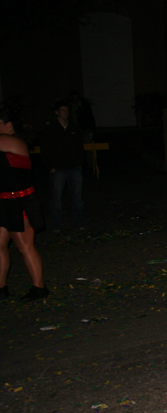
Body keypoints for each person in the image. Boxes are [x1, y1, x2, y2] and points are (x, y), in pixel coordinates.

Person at [0, 108, 48, 301]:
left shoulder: (12, 141)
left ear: (8, 124)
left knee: (25, 246)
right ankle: (1, 287)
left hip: (19, 202)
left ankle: (39, 287)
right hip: (3, 201)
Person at [39, 100, 85, 233]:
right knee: (56, 200)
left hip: (74, 168)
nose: (66, 113)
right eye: (63, 110)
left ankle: (79, 223)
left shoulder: (74, 128)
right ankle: (57, 226)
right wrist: (50, 166)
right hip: (58, 169)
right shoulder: (50, 129)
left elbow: (79, 148)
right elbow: (45, 149)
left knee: (77, 199)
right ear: (56, 112)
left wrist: (79, 164)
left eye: (67, 110)